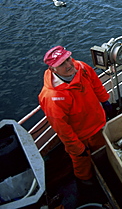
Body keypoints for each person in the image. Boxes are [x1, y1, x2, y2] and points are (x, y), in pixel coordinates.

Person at [38, 46, 113, 185]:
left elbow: (96, 84)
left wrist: (105, 101)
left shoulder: (81, 67)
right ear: (53, 69)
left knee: (103, 151)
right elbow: (62, 129)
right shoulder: (51, 97)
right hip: (80, 136)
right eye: (62, 64)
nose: (69, 65)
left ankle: (104, 167)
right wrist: (77, 148)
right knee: (82, 163)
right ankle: (85, 181)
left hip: (98, 124)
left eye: (68, 59)